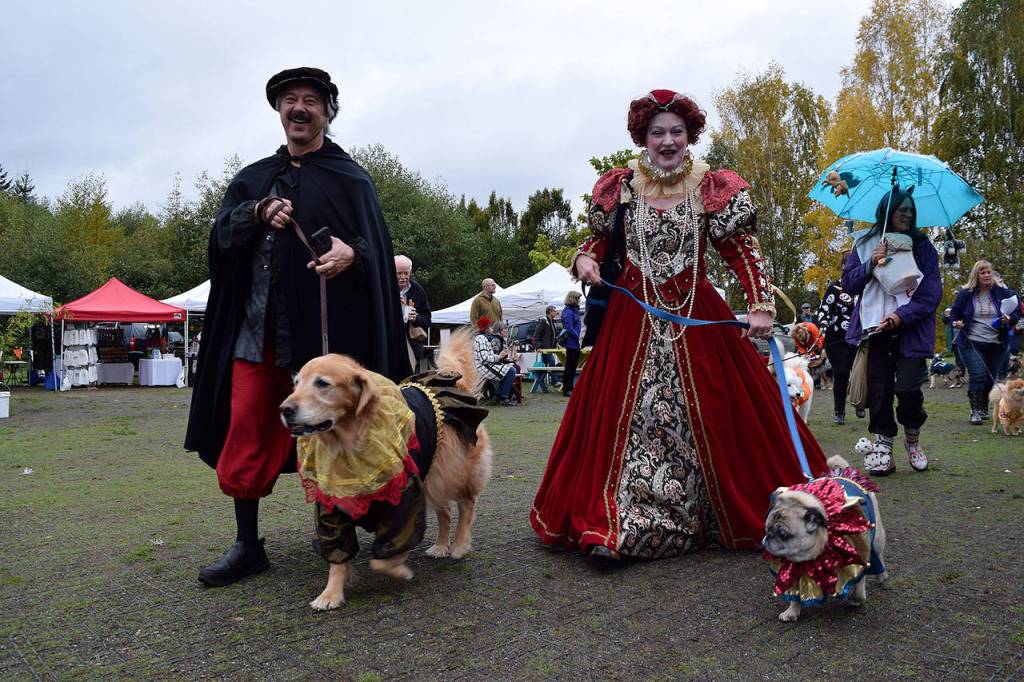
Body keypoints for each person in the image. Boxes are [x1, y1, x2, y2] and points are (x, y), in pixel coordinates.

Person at [531, 89, 827, 562]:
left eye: (676, 132)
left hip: (695, 316)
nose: (667, 141)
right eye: (658, 133)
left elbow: (741, 251)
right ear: (643, 138)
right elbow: (599, 241)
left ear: (689, 136)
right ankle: (622, 523)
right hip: (633, 318)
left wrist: (760, 305)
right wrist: (585, 258)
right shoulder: (622, 188)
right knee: (629, 418)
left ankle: (707, 512)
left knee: (713, 410)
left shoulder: (710, 187)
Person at [185, 67, 411, 587]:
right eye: (290, 100)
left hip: (324, 342)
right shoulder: (252, 179)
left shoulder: (351, 179)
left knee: (335, 433)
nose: (300, 108)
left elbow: (375, 250)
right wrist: (253, 213)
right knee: (246, 431)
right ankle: (247, 546)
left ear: (327, 112)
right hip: (256, 334)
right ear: (280, 111)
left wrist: (353, 254)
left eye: (311, 100)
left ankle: (338, 531)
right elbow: (220, 242)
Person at [842, 188, 942, 475]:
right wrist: (870, 263)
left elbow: (931, 293)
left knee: (908, 388)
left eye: (910, 210)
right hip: (875, 328)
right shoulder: (864, 244)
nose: (907, 214)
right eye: (901, 209)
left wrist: (900, 316)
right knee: (880, 390)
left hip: (911, 328)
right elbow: (848, 284)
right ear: (886, 211)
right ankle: (883, 445)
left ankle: (912, 438)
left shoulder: (922, 247)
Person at [949, 260, 1021, 425]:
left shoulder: (1002, 292)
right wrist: (956, 323)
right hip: (971, 341)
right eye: (983, 273)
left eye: (989, 272)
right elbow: (954, 314)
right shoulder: (966, 294)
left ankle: (983, 407)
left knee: (990, 377)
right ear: (976, 275)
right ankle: (974, 411)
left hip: (997, 343)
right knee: (977, 374)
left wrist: (1009, 319)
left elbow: (1016, 312)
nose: (987, 275)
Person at [816, 252, 858, 424]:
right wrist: (823, 325)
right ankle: (839, 411)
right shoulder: (834, 288)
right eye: (849, 265)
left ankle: (859, 402)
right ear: (842, 267)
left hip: (857, 337)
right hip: (836, 337)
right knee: (841, 372)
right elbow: (824, 309)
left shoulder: (864, 288)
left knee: (858, 372)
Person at [395, 254, 432, 371]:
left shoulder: (417, 290)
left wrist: (416, 318)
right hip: (387, 337)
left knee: (408, 370)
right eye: (399, 273)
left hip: (409, 340)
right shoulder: (384, 288)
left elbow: (427, 319)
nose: (403, 277)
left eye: (406, 273)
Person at [473, 317, 517, 406]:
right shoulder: (482, 339)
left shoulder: (482, 338)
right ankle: (503, 397)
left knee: (511, 369)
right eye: (490, 326)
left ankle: (498, 396)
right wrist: (499, 357)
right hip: (483, 367)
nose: (492, 328)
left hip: (485, 365)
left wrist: (500, 356)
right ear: (486, 328)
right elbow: (484, 358)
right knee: (511, 371)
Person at [531, 305, 561, 391]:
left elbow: (554, 335)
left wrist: (557, 344)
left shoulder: (552, 321)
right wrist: (538, 347)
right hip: (544, 349)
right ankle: (555, 381)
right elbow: (536, 335)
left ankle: (546, 383)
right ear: (550, 312)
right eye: (554, 311)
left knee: (549, 364)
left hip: (550, 349)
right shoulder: (543, 321)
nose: (556, 312)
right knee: (551, 362)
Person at [559, 291, 582, 397]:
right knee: (569, 366)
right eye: (577, 298)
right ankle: (567, 389)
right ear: (572, 299)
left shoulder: (574, 310)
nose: (579, 300)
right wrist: (578, 336)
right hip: (571, 342)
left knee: (572, 366)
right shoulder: (568, 311)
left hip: (575, 342)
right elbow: (569, 327)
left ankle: (570, 387)